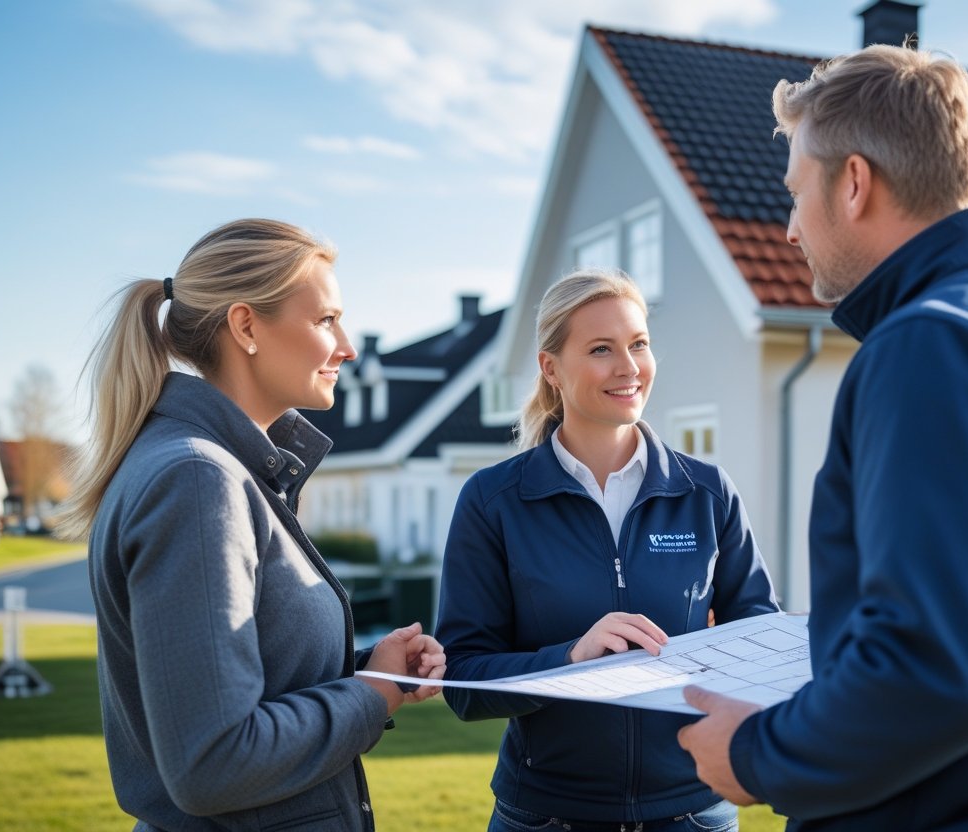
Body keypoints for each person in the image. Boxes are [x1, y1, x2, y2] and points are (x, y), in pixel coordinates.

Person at [676, 45, 968, 832]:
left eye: (796, 193)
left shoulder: (935, 346)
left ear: (855, 183)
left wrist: (756, 752)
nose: (790, 228)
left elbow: (941, 671)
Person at [57, 218, 446, 831]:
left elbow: (248, 682)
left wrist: (370, 666)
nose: (346, 345)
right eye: (325, 320)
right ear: (245, 326)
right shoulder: (197, 480)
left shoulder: (215, 469)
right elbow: (213, 761)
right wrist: (372, 696)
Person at [434, 269, 780, 832]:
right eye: (601, 349)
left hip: (694, 814)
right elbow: (466, 682)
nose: (629, 367)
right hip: (546, 815)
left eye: (638, 344)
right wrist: (569, 660)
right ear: (551, 369)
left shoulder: (707, 493)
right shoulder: (494, 501)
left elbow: (761, 640)